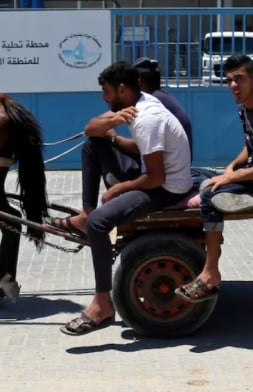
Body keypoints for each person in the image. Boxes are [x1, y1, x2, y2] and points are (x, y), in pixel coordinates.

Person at [54, 61, 193, 336]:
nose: (104, 98)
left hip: (166, 188)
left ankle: (102, 304)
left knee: (98, 224)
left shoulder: (147, 117)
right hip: (154, 175)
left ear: (121, 89)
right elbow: (91, 128)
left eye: (106, 92)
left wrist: (120, 189)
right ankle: (85, 212)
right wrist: (115, 126)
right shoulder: (137, 105)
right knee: (93, 145)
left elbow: (155, 177)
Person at [175, 55, 253, 303]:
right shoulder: (245, 107)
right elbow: (251, 146)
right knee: (196, 173)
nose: (233, 86)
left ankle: (211, 273)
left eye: (239, 79)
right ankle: (233, 191)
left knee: (209, 195)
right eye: (229, 80)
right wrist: (232, 167)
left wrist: (233, 176)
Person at [134, 57, 194, 159]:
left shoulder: (151, 102)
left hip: (170, 167)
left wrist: (114, 138)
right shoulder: (161, 97)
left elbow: (147, 147)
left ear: (139, 82)